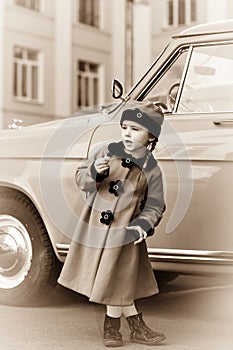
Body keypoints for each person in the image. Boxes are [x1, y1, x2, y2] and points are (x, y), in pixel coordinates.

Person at [58, 102, 166, 347]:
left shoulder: (152, 169)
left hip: (124, 231)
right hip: (97, 227)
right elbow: (82, 180)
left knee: (116, 277)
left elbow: (156, 204)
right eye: (125, 127)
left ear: (150, 136)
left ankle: (114, 326)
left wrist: (143, 224)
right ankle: (132, 327)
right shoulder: (106, 152)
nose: (127, 133)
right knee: (115, 278)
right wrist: (95, 172)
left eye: (136, 129)